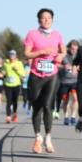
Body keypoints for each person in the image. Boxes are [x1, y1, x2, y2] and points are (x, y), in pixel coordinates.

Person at [24, 8, 64, 153]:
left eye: (49, 18)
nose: (46, 20)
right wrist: (41, 52)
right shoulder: (32, 34)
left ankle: (48, 138)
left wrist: (60, 56)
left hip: (51, 75)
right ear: (39, 20)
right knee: (37, 106)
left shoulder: (57, 35)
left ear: (52, 20)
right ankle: (37, 137)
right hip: (36, 75)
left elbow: (63, 50)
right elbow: (27, 54)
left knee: (48, 106)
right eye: (43, 18)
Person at [57, 40, 79, 125]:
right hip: (64, 82)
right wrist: (63, 66)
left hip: (75, 81)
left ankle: (73, 117)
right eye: (73, 49)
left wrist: (78, 68)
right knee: (65, 100)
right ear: (69, 48)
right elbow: (56, 65)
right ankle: (66, 117)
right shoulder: (64, 56)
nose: (74, 51)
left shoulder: (79, 57)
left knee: (75, 98)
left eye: (76, 49)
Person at [2, 49, 25, 122]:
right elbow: (3, 72)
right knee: (8, 101)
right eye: (11, 54)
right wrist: (3, 73)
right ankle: (8, 116)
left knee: (15, 101)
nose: (12, 56)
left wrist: (17, 69)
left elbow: (23, 74)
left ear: (16, 56)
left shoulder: (19, 63)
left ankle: (14, 114)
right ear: (9, 55)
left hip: (16, 85)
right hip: (7, 84)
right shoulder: (6, 63)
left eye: (13, 54)